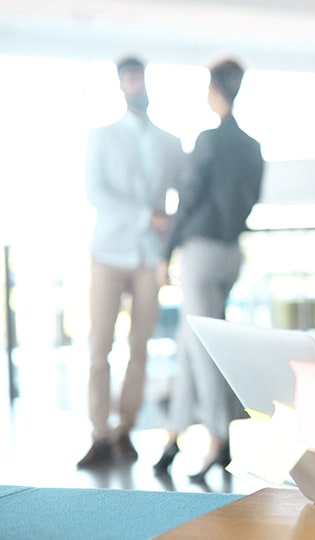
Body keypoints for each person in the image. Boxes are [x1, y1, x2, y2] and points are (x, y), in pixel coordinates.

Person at [152, 58, 264, 480]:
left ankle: (220, 438)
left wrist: (166, 251)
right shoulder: (253, 146)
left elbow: (190, 197)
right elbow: (251, 199)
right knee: (189, 340)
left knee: (203, 348)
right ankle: (173, 436)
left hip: (200, 252)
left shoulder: (208, 140)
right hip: (232, 252)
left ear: (215, 90)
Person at [79, 56, 185, 468]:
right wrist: (147, 216)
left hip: (148, 259)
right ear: (121, 85)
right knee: (98, 347)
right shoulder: (101, 137)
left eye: (141, 76)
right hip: (108, 253)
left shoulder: (170, 142)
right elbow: (95, 192)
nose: (136, 84)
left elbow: (185, 192)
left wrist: (172, 228)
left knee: (138, 347)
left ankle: (124, 430)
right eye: (129, 78)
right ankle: (99, 434)